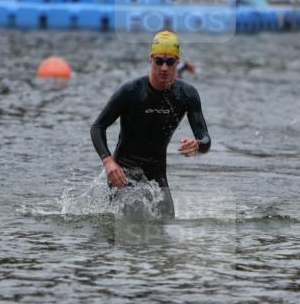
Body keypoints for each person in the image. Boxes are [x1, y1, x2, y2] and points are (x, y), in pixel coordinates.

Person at [90, 30, 210, 219]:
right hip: (123, 173)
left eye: (170, 62)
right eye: (159, 61)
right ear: (150, 60)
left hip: (156, 174)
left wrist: (198, 145)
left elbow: (205, 139)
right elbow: (97, 127)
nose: (164, 67)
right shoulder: (131, 91)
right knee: (135, 221)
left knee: (166, 225)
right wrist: (108, 162)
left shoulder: (187, 94)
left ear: (177, 63)